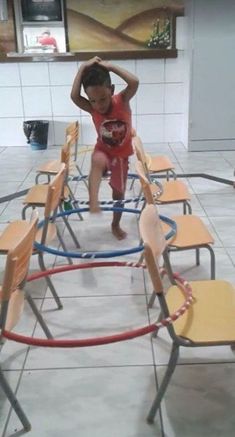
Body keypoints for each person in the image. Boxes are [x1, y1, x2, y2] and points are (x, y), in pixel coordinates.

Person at [71, 56, 139, 240]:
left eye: (102, 99)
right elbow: (75, 96)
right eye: (93, 100)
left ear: (112, 90)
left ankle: (115, 224)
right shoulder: (92, 108)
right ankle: (94, 198)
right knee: (98, 161)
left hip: (121, 156)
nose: (98, 105)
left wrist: (110, 66)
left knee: (118, 192)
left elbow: (134, 82)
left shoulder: (122, 101)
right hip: (103, 151)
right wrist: (83, 67)